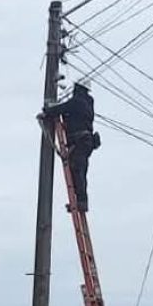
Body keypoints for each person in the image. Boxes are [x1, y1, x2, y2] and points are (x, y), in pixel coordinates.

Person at [40, 79, 97, 212]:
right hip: (84, 142)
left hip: (79, 141)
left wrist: (48, 110)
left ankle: (81, 201)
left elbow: (62, 108)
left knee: (77, 171)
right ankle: (79, 201)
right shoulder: (87, 103)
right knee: (78, 172)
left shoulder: (78, 102)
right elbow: (68, 112)